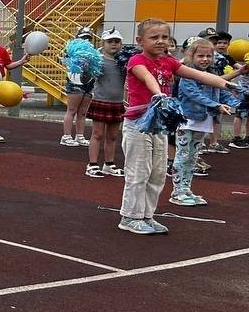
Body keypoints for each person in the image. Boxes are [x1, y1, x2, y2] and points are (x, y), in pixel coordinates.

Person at [118, 19, 242, 235]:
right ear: (140, 41)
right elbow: (147, 77)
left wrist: (228, 84)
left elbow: (200, 75)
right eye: (154, 37)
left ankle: (147, 215)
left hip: (159, 124)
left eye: (164, 37)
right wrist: (159, 94)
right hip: (138, 123)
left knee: (157, 173)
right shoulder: (136, 60)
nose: (160, 41)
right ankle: (130, 216)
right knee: (138, 171)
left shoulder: (169, 62)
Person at [169, 37, 236, 207]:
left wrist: (238, 101)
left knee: (193, 157)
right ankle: (177, 192)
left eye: (208, 56)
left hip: (203, 121)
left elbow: (222, 92)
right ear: (191, 56)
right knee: (182, 155)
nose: (205, 59)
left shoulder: (212, 75)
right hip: (186, 121)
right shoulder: (187, 75)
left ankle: (186, 189)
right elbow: (194, 95)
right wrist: (216, 105)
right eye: (200, 56)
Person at [85, 29, 126, 178]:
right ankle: (92, 164)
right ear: (103, 43)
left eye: (117, 41)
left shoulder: (124, 62)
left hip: (117, 102)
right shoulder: (98, 60)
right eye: (110, 41)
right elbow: (87, 75)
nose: (114, 44)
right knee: (97, 134)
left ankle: (109, 164)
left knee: (113, 136)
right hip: (101, 101)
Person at [59, 27, 96, 146]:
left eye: (88, 38)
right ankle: (66, 136)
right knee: (72, 110)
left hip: (89, 82)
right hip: (75, 81)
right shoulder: (71, 50)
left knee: (83, 111)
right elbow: (63, 60)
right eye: (83, 38)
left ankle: (80, 136)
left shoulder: (93, 51)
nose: (86, 40)